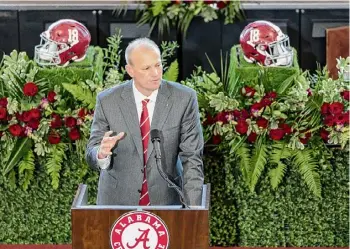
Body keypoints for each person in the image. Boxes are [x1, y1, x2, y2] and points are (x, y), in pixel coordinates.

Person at [86, 37, 204, 206]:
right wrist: (101, 153)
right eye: (147, 68)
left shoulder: (184, 99)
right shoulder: (108, 101)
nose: (156, 73)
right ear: (130, 70)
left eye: (158, 65)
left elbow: (192, 158)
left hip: (167, 200)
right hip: (117, 203)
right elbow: (91, 153)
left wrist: (194, 212)